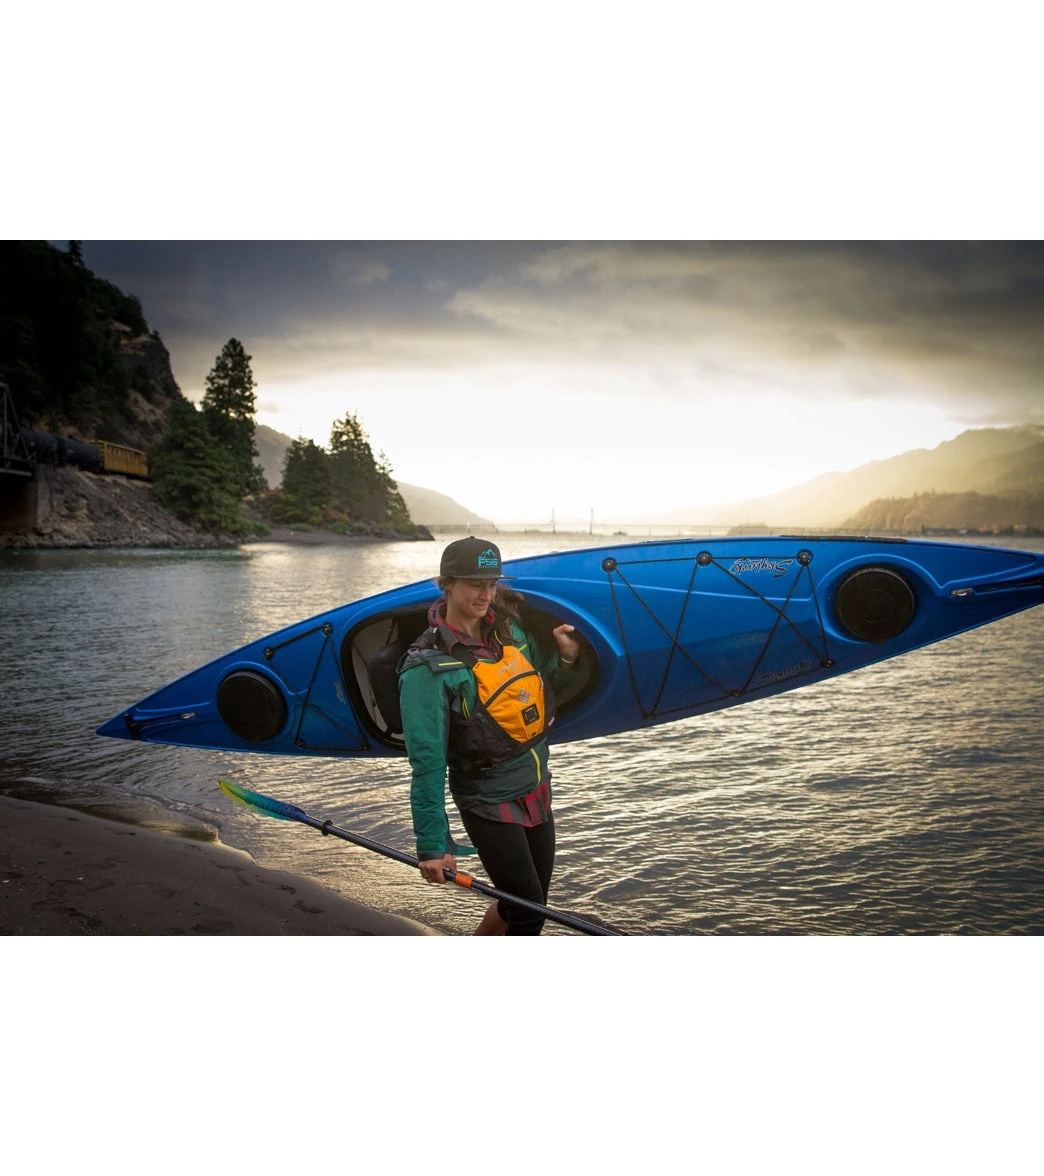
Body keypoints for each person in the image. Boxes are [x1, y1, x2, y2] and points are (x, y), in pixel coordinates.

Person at [397, 536, 580, 935]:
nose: (486, 594)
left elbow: (536, 693)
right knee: (529, 911)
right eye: (475, 584)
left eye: (492, 584)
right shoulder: (427, 669)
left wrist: (566, 656)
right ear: (446, 584)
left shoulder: (509, 634)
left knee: (525, 902)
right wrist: (433, 843)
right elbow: (427, 762)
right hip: (488, 800)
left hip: (536, 785)